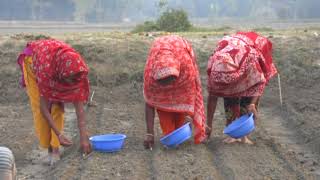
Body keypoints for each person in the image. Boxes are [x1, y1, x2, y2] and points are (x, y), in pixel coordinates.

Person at [17, 39, 92, 164]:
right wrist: (59, 134)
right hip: (34, 62)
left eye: (74, 80)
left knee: (57, 107)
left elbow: (79, 109)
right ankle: (51, 149)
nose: (71, 84)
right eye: (69, 80)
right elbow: (43, 107)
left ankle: (55, 149)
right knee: (40, 109)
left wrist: (84, 139)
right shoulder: (47, 71)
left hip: (55, 63)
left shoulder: (77, 72)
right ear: (62, 75)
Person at [206, 32, 278, 144]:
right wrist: (209, 124)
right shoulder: (214, 70)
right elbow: (212, 98)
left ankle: (244, 135)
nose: (228, 87)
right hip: (231, 53)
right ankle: (233, 134)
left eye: (229, 84)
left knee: (248, 103)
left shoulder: (250, 60)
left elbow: (259, 83)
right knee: (230, 99)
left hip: (250, 49)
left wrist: (253, 104)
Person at [143, 35, 206, 149]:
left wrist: (189, 115)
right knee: (166, 119)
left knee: (180, 122)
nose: (169, 85)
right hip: (164, 74)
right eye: (164, 82)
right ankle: (170, 135)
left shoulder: (187, 69)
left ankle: (178, 134)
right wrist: (149, 133)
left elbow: (190, 92)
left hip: (181, 67)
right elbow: (149, 103)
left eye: (170, 80)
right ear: (157, 78)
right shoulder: (150, 78)